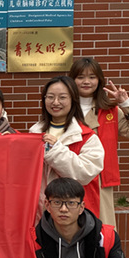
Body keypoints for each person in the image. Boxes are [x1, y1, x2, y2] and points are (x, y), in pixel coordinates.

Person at [69, 58, 129, 226]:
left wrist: (126, 104)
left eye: (92, 77)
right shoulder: (63, 108)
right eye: (80, 77)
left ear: (99, 80)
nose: (86, 81)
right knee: (68, 224)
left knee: (101, 227)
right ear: (72, 80)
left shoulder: (110, 111)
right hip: (68, 174)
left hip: (100, 178)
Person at [29, 76, 104, 219]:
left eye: (62, 97)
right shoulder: (34, 133)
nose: (55, 102)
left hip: (73, 217)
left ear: (73, 100)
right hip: (38, 213)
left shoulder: (87, 137)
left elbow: (84, 174)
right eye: (50, 97)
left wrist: (55, 150)